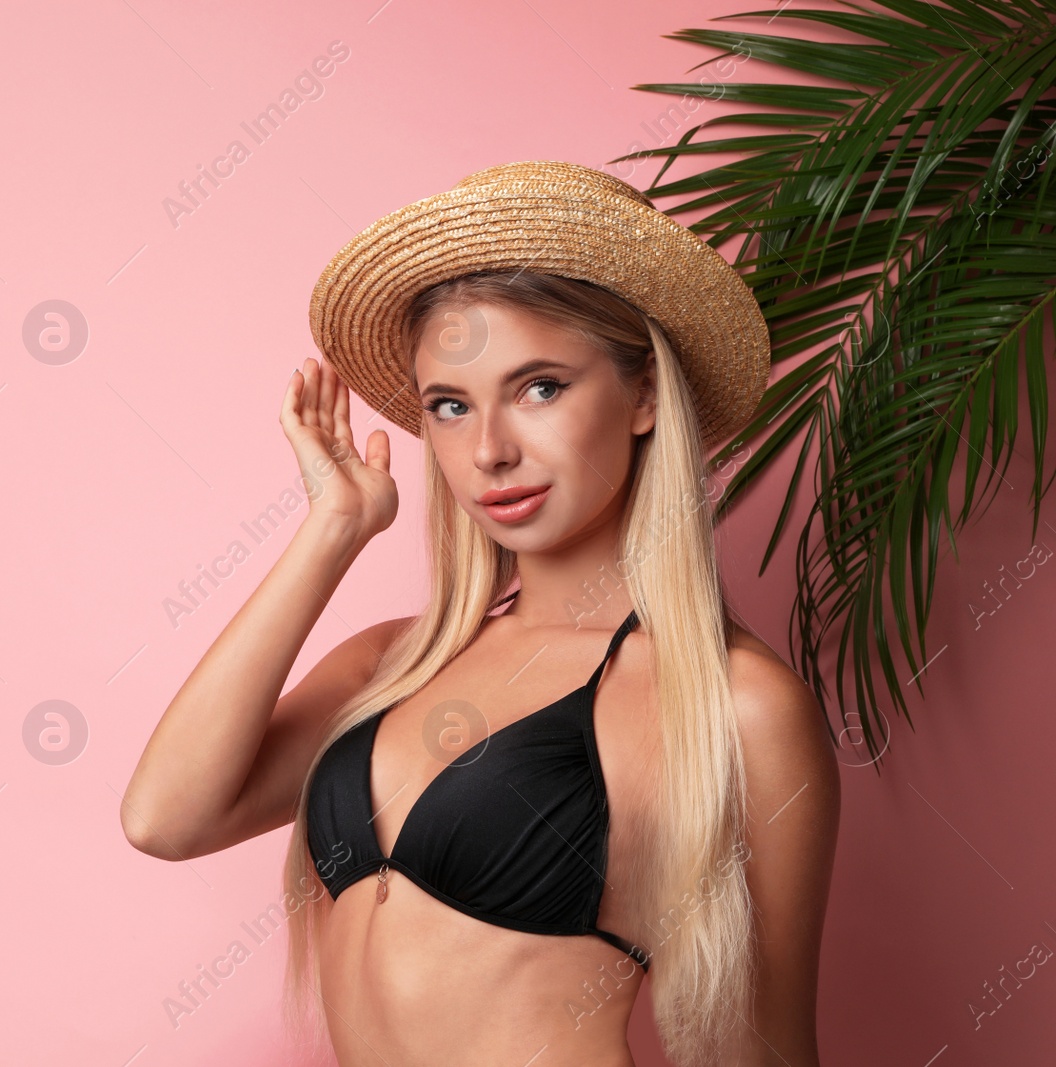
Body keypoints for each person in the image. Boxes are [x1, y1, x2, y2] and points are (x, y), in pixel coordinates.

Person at [121, 161, 840, 1067]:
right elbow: (166, 818)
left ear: (647, 395)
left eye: (541, 387)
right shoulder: (392, 663)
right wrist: (335, 526)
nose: (490, 449)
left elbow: (763, 1052)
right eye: (451, 406)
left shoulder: (735, 705)